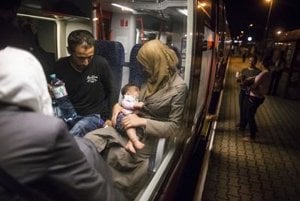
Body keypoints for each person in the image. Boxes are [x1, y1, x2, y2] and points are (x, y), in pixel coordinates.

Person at [85, 39, 188, 199]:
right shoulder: (151, 79)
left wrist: (143, 122)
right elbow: (135, 102)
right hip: (130, 125)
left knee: (116, 154)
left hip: (148, 136)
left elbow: (175, 127)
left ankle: (114, 193)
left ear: (156, 62)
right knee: (90, 139)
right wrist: (118, 107)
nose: (142, 68)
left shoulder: (179, 88)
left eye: (145, 64)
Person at [53, 30, 115, 136]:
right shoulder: (60, 65)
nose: (86, 62)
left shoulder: (100, 64)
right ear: (69, 51)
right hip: (69, 114)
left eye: (90, 57)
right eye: (81, 58)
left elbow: (112, 91)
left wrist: (109, 117)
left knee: (76, 131)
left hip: (94, 116)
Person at [242, 63, 271, 141]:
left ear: (263, 63)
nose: (259, 64)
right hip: (259, 97)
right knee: (251, 114)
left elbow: (255, 85)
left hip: (255, 97)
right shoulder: (268, 73)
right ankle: (254, 131)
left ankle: (252, 136)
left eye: (260, 63)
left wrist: (248, 86)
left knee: (249, 115)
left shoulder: (264, 73)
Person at [115, 83, 145, 153]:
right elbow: (125, 104)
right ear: (128, 93)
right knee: (129, 125)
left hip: (132, 118)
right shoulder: (127, 98)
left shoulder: (136, 100)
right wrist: (135, 105)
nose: (139, 91)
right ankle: (135, 141)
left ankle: (130, 144)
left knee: (139, 130)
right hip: (123, 118)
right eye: (136, 90)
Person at [236, 55, 261, 130]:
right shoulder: (244, 70)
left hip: (250, 93)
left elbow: (257, 83)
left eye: (253, 60)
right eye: (250, 60)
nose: (251, 62)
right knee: (241, 108)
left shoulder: (258, 72)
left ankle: (243, 125)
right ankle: (241, 122)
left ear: (256, 62)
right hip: (243, 91)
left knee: (245, 109)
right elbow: (239, 81)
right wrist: (238, 78)